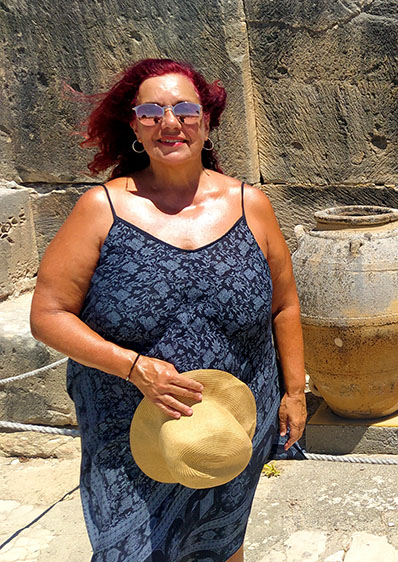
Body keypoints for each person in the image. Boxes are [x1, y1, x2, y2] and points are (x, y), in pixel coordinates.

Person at [29, 58, 307, 562]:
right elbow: (48, 315)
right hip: (128, 429)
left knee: (220, 542)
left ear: (207, 121)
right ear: (135, 127)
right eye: (152, 112)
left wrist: (294, 393)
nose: (170, 122)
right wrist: (135, 367)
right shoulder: (101, 210)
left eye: (184, 109)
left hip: (228, 424)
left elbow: (284, 306)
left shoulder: (252, 206)